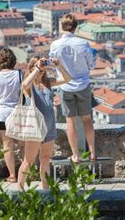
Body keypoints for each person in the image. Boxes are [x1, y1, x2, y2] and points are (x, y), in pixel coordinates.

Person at [17, 56, 71, 190]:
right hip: (34, 127)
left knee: (46, 159)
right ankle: (19, 189)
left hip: (49, 126)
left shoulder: (48, 82)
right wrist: (36, 69)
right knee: (28, 161)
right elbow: (24, 85)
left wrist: (58, 66)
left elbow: (67, 79)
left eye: (42, 67)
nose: (41, 70)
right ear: (32, 68)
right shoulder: (29, 85)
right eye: (37, 67)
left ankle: (46, 189)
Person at [49, 13, 96, 163]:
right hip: (83, 84)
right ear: (76, 27)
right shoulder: (83, 44)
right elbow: (91, 65)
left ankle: (75, 155)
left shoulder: (55, 45)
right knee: (87, 119)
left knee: (70, 120)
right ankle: (92, 153)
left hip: (65, 85)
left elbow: (53, 63)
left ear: (62, 26)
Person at [0, 48, 24, 183]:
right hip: (18, 113)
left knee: (7, 146)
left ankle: (12, 175)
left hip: (2, 114)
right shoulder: (20, 74)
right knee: (22, 146)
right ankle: (26, 173)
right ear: (13, 60)